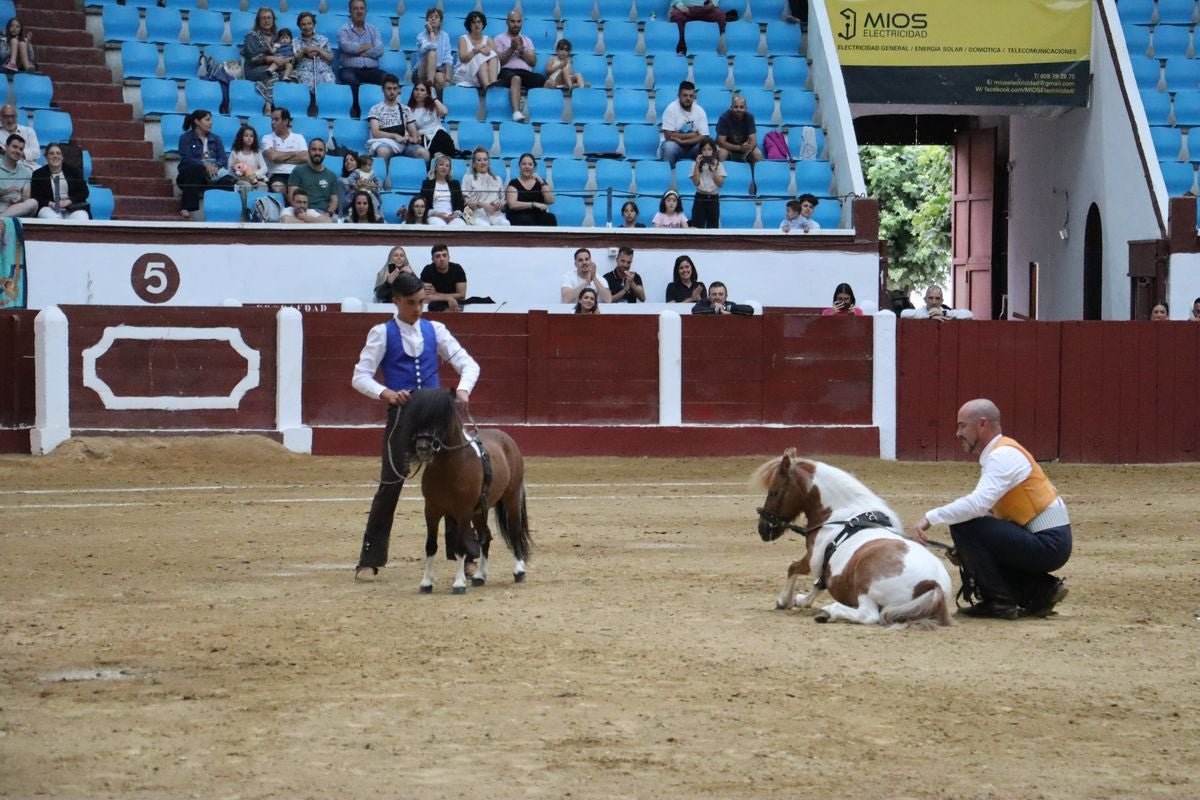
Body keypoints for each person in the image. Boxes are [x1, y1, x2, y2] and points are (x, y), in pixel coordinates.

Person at [352, 271, 480, 582]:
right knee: (391, 484)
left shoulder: (436, 329)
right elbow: (360, 376)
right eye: (411, 303)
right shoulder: (381, 333)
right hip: (403, 418)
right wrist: (386, 393)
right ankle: (369, 559)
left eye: (421, 302)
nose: (419, 309)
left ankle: (467, 556)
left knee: (458, 482)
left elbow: (469, 364)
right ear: (395, 302)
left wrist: (463, 390)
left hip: (437, 418)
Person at [909, 398, 1072, 620]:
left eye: (962, 425)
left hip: (1049, 542)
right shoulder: (1003, 452)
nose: (958, 433)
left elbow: (977, 505)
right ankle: (1041, 590)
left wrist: (929, 518)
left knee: (964, 525)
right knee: (970, 532)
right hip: (1048, 538)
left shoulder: (1002, 456)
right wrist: (969, 551)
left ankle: (999, 602)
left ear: (982, 424)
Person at [175, 109, 235, 221]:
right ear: (197, 121)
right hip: (190, 175)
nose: (211, 123)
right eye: (207, 120)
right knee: (194, 169)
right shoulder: (185, 138)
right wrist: (204, 165)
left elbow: (223, 158)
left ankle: (222, 213)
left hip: (211, 175)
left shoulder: (216, 139)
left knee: (229, 181)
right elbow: (186, 159)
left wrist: (215, 166)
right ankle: (187, 208)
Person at [365, 74, 428, 173]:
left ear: (398, 89)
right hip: (384, 142)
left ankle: (422, 183)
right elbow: (375, 133)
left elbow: (413, 132)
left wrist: (414, 138)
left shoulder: (405, 109)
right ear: (383, 90)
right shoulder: (375, 109)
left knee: (424, 153)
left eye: (395, 88)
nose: (392, 92)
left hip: (403, 143)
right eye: (389, 89)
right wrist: (394, 136)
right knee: (383, 152)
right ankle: (382, 182)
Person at [493, 9, 546, 123]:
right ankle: (516, 112)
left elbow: (533, 62)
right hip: (506, 71)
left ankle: (543, 114)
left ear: (522, 22)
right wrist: (512, 48)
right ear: (507, 22)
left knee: (549, 83)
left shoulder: (527, 40)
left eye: (518, 21)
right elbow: (499, 61)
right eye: (513, 21)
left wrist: (521, 50)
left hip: (525, 72)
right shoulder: (499, 39)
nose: (516, 24)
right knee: (516, 79)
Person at [338, 0, 387, 118]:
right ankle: (358, 110)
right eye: (355, 8)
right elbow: (345, 47)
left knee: (387, 79)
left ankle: (384, 113)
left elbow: (379, 50)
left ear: (366, 11)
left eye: (361, 8)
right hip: (350, 69)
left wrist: (357, 51)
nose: (359, 11)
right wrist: (367, 47)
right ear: (350, 11)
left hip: (371, 70)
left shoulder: (373, 29)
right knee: (351, 80)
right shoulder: (344, 29)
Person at [242, 7, 290, 108]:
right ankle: (269, 107)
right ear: (258, 21)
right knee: (273, 74)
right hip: (253, 69)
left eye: (269, 18)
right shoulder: (251, 36)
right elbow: (252, 57)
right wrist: (272, 59)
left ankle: (286, 107)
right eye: (263, 18)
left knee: (291, 75)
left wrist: (286, 59)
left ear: (273, 20)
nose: (267, 20)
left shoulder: (277, 37)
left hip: (275, 66)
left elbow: (285, 50)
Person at [31, 142, 89, 220]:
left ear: (62, 157)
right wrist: (51, 204)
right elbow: (35, 196)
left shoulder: (74, 171)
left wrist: (70, 201)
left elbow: (84, 192)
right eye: (51, 153)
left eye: (58, 153)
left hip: (72, 208)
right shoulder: (38, 174)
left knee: (81, 217)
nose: (55, 156)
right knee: (52, 218)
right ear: (46, 157)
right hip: (50, 208)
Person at [659, 81, 709, 167]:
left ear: (694, 97)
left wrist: (683, 141)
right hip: (675, 145)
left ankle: (705, 177)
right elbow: (668, 136)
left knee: (706, 146)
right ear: (678, 95)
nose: (688, 98)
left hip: (693, 147)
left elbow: (704, 136)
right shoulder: (671, 109)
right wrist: (692, 135)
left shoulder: (700, 111)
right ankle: (666, 176)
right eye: (685, 95)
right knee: (669, 147)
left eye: (691, 96)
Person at [262, 107, 308, 195]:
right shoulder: (267, 138)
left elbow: (305, 158)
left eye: (276, 119)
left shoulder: (299, 138)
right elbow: (273, 157)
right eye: (272, 119)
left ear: (285, 121)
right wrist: (294, 153)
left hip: (297, 174)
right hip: (277, 175)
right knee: (277, 187)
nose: (272, 123)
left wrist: (279, 157)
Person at [288, 137, 338, 216]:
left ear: (325, 153)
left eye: (320, 150)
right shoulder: (298, 171)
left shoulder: (332, 176)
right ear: (308, 152)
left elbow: (334, 200)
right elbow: (291, 196)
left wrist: (329, 213)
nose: (317, 152)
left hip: (324, 213)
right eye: (314, 149)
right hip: (302, 211)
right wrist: (301, 213)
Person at [461, 146, 510, 226]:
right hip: (477, 215)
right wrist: (482, 205)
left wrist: (501, 204)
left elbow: (503, 200)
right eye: (479, 160)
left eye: (485, 159)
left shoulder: (498, 179)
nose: (483, 162)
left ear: (488, 162)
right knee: (484, 226)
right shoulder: (468, 178)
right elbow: (466, 202)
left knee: (505, 224)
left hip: (496, 214)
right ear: (473, 164)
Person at [407, 81, 455, 160]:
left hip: (439, 137)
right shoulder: (409, 110)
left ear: (427, 94)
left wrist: (433, 97)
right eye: (416, 89)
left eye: (422, 90)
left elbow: (444, 112)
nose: (418, 92)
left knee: (441, 134)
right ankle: (436, 157)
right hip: (424, 139)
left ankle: (439, 156)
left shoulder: (433, 107)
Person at [505, 153, 556, 226]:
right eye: (524, 164)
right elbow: (512, 204)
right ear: (519, 166)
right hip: (518, 215)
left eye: (530, 164)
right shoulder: (513, 183)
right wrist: (533, 204)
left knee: (550, 218)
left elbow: (550, 200)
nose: (527, 166)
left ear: (534, 167)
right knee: (526, 219)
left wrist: (541, 181)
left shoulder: (541, 182)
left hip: (538, 215)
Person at [453, 10, 499, 90]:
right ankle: (487, 87)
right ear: (469, 25)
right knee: (480, 58)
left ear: (483, 24)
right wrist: (475, 51)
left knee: (492, 56)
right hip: (465, 72)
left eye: (479, 22)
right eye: (473, 22)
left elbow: (493, 56)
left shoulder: (488, 39)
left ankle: (492, 83)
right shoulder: (463, 39)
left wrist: (485, 52)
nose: (477, 25)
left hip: (484, 73)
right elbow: (463, 59)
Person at [294, 12, 336, 92]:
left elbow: (330, 59)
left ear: (314, 24)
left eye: (309, 23)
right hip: (304, 74)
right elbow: (294, 61)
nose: (307, 27)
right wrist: (304, 52)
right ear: (299, 26)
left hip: (324, 73)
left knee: (328, 83)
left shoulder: (323, 39)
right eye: (303, 24)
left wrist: (318, 50)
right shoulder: (295, 42)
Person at [420, 154, 466, 226]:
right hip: (434, 216)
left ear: (449, 169)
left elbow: (460, 205)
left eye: (447, 166)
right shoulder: (427, 184)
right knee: (439, 225)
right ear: (436, 167)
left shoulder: (455, 184)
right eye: (441, 165)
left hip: (452, 217)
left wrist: (455, 214)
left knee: (461, 224)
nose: (444, 168)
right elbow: (423, 204)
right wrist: (437, 214)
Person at [419, 242, 468, 311]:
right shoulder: (428, 270)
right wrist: (448, 298)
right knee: (433, 305)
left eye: (444, 255)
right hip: (436, 305)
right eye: (438, 256)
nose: (442, 259)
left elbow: (461, 295)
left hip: (456, 304)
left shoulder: (457, 269)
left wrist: (436, 294)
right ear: (433, 259)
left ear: (449, 258)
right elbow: (425, 297)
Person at [228, 125, 269, 207]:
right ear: (241, 137)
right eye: (246, 136)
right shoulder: (235, 152)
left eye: (251, 136)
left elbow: (265, 168)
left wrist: (255, 175)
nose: (249, 138)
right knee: (246, 185)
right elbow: (230, 170)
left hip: (255, 179)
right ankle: (246, 210)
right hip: (240, 180)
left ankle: (259, 211)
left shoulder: (257, 152)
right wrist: (242, 177)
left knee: (263, 186)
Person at [716, 94, 762, 164]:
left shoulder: (749, 117)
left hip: (745, 149)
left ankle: (756, 175)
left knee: (757, 154)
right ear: (731, 107)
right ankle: (721, 174)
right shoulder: (724, 118)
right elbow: (721, 142)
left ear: (745, 108)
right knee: (721, 154)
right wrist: (739, 148)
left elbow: (754, 141)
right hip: (728, 149)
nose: (739, 109)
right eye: (736, 107)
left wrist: (748, 148)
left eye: (741, 107)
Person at [689, 136, 724, 229]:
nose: (707, 152)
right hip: (700, 197)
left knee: (713, 227)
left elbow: (720, 184)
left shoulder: (719, 164)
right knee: (697, 227)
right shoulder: (695, 164)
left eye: (709, 149)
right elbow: (696, 182)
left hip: (713, 198)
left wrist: (713, 170)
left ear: (713, 151)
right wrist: (697, 165)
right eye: (704, 149)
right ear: (700, 151)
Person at [339, 151, 382, 219]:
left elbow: (380, 202)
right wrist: (354, 190)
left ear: (358, 163)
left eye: (352, 160)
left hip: (372, 215)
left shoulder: (369, 178)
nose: (348, 162)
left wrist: (374, 189)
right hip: (351, 216)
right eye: (346, 160)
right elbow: (342, 205)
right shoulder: (342, 181)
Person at [901, 285, 973, 322]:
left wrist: (944, 313)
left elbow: (969, 314)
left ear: (942, 301)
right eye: (931, 298)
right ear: (925, 299)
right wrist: (929, 317)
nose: (934, 301)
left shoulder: (946, 312)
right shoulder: (920, 312)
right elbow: (904, 313)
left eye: (937, 298)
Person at [0, 104, 39, 170]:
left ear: (16, 117)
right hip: (4, 168)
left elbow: (36, 153)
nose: (10, 120)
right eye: (6, 117)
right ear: (0, 118)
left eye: (12, 116)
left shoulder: (28, 131)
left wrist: (16, 153)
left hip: (28, 166)